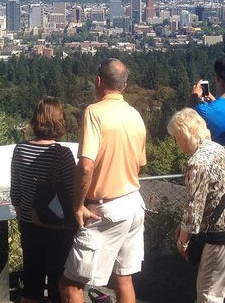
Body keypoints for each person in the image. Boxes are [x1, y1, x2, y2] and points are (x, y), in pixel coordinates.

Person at [59, 58, 147, 303]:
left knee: (70, 284)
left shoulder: (94, 112)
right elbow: (139, 164)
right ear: (125, 86)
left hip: (104, 208)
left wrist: (78, 205)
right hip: (133, 203)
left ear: (98, 81)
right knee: (123, 278)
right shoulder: (135, 115)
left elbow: (86, 165)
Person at [169, 108, 225, 303]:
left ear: (184, 135)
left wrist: (182, 242)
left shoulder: (197, 162)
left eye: (175, 137)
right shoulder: (221, 149)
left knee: (209, 295)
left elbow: (194, 210)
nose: (175, 143)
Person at [10, 96, 77, 303]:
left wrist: (23, 220)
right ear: (58, 121)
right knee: (60, 283)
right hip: (59, 228)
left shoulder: (20, 150)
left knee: (31, 283)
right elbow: (74, 194)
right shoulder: (63, 154)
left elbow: (16, 193)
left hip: (31, 225)